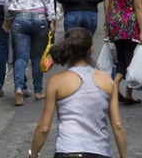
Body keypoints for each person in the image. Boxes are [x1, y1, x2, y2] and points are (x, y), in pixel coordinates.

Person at [29, 28, 127, 158]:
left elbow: (44, 127)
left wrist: (33, 154)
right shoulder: (107, 81)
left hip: (68, 150)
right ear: (90, 50)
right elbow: (117, 125)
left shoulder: (56, 81)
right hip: (99, 152)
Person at [3, 0, 56, 106]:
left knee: (21, 57)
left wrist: (7, 18)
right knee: (37, 57)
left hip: (20, 18)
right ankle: (38, 91)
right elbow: (49, 0)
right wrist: (52, 20)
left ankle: (19, 88)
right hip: (40, 19)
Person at [106, 0, 142, 106]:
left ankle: (126, 93)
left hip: (114, 23)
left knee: (122, 57)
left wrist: (107, 24)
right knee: (131, 59)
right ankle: (116, 86)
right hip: (129, 24)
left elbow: (109, 2)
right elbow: (138, 7)